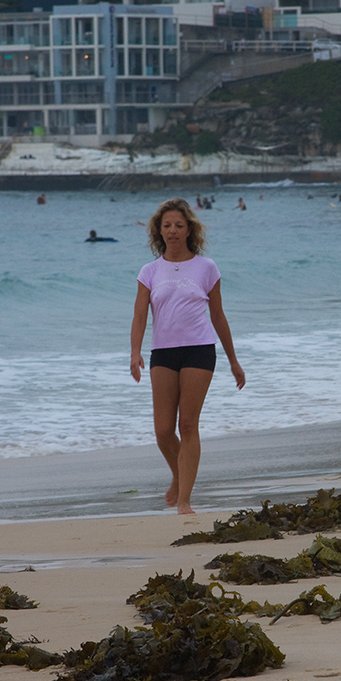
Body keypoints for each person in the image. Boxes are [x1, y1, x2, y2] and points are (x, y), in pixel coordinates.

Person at [130, 198, 245, 515]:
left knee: (188, 423)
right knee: (163, 431)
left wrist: (233, 361)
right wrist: (134, 352)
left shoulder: (206, 268)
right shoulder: (149, 271)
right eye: (167, 225)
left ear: (189, 229)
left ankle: (184, 500)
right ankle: (179, 476)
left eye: (179, 225)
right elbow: (140, 315)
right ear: (158, 230)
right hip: (162, 353)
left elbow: (219, 317)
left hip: (199, 350)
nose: (173, 231)